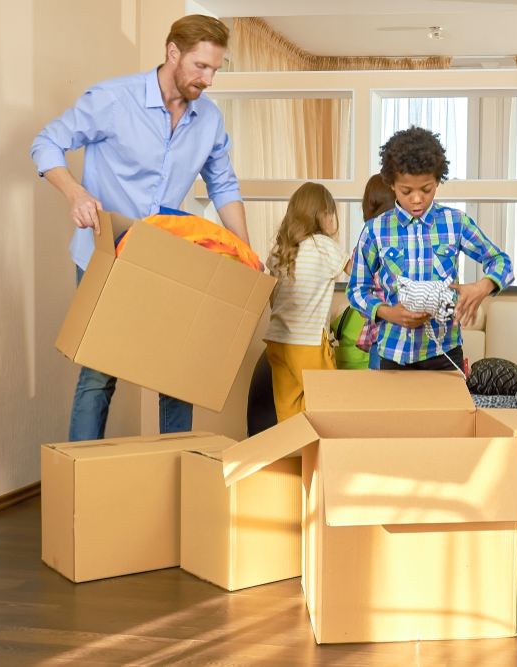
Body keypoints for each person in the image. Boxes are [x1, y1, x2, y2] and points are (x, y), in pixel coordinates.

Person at [31, 15, 251, 441]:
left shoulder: (209, 120)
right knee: (99, 373)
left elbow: (223, 183)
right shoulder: (114, 99)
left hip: (168, 256)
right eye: (201, 67)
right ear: (173, 52)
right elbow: (46, 142)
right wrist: (76, 193)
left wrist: (245, 252)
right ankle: (82, 481)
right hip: (107, 254)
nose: (208, 80)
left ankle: (175, 476)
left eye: (215, 70)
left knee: (176, 377)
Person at [347, 127, 514, 371]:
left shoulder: (455, 223)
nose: (416, 199)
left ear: (437, 180)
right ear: (392, 184)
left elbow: (502, 262)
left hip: (445, 354)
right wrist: (388, 313)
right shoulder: (375, 231)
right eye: (406, 191)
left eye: (426, 189)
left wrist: (483, 286)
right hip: (394, 355)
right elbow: (356, 289)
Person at [264, 183, 350, 421]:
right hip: (308, 344)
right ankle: (327, 459)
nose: (332, 218)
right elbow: (358, 273)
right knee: (329, 412)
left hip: (278, 342)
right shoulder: (322, 246)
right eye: (330, 213)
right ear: (321, 213)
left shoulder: (279, 251)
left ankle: (296, 459)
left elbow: (274, 300)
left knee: (289, 417)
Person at [355, 174, 397, 370]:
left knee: (379, 398)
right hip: (396, 339)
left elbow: (359, 296)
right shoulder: (401, 242)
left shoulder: (365, 242)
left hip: (378, 339)